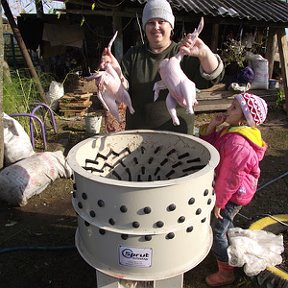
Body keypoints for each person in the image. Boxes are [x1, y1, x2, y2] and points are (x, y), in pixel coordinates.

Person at [100, 0, 224, 134]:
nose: (156, 27)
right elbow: (122, 91)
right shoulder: (133, 55)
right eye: (151, 22)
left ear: (171, 26)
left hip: (178, 137)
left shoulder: (184, 52)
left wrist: (205, 54)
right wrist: (113, 71)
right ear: (144, 27)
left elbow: (212, 78)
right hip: (137, 135)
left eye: (161, 21)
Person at [199, 92, 268, 286]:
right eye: (231, 105)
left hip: (233, 195)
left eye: (234, 108)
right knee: (225, 226)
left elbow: (230, 178)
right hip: (229, 190)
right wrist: (212, 126)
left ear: (246, 120)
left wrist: (219, 203)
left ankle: (226, 273)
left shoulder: (238, 143)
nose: (228, 110)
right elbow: (210, 149)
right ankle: (231, 252)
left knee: (217, 230)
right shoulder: (230, 131)